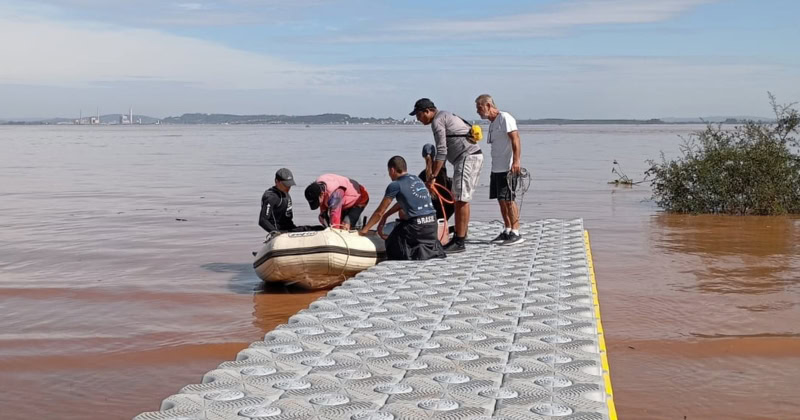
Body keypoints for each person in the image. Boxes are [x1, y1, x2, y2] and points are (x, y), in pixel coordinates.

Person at [410, 98, 483, 253]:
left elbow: (441, 151)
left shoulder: (437, 121)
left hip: (466, 157)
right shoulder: (445, 116)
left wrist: (433, 177)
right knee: (462, 198)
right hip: (471, 156)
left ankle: (459, 241)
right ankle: (461, 235)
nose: (418, 119)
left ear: (427, 111)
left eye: (418, 115)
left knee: (461, 199)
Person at [359, 156, 446, 260]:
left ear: (392, 170)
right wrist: (387, 215)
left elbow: (379, 212)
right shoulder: (417, 179)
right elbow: (404, 202)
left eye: (389, 172)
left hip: (417, 228)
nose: (389, 175)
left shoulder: (395, 185)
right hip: (432, 226)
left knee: (392, 242)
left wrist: (365, 230)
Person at [475, 94, 524, 245]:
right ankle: (507, 229)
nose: (478, 111)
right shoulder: (492, 123)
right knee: (500, 200)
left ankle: (516, 231)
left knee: (509, 199)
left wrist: (516, 161)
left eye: (479, 107)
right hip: (496, 168)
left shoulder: (505, 118)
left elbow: (515, 139)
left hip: (507, 167)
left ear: (488, 105)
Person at [304, 174, 369, 230]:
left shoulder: (335, 195)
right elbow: (323, 209)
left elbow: (335, 215)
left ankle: (357, 229)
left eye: (316, 201)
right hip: (343, 200)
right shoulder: (318, 188)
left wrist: (335, 231)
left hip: (359, 199)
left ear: (321, 194)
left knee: (344, 225)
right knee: (322, 218)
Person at [417, 144, 454, 222]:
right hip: (445, 212)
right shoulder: (442, 171)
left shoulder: (421, 176)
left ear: (423, 156)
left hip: (429, 215)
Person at [259, 168, 297, 234]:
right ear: (277, 181)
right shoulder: (271, 197)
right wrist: (275, 232)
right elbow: (262, 220)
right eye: (286, 184)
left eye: (289, 184)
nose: (288, 187)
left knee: (316, 228)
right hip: (278, 232)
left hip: (289, 230)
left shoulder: (286, 194)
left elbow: (288, 219)